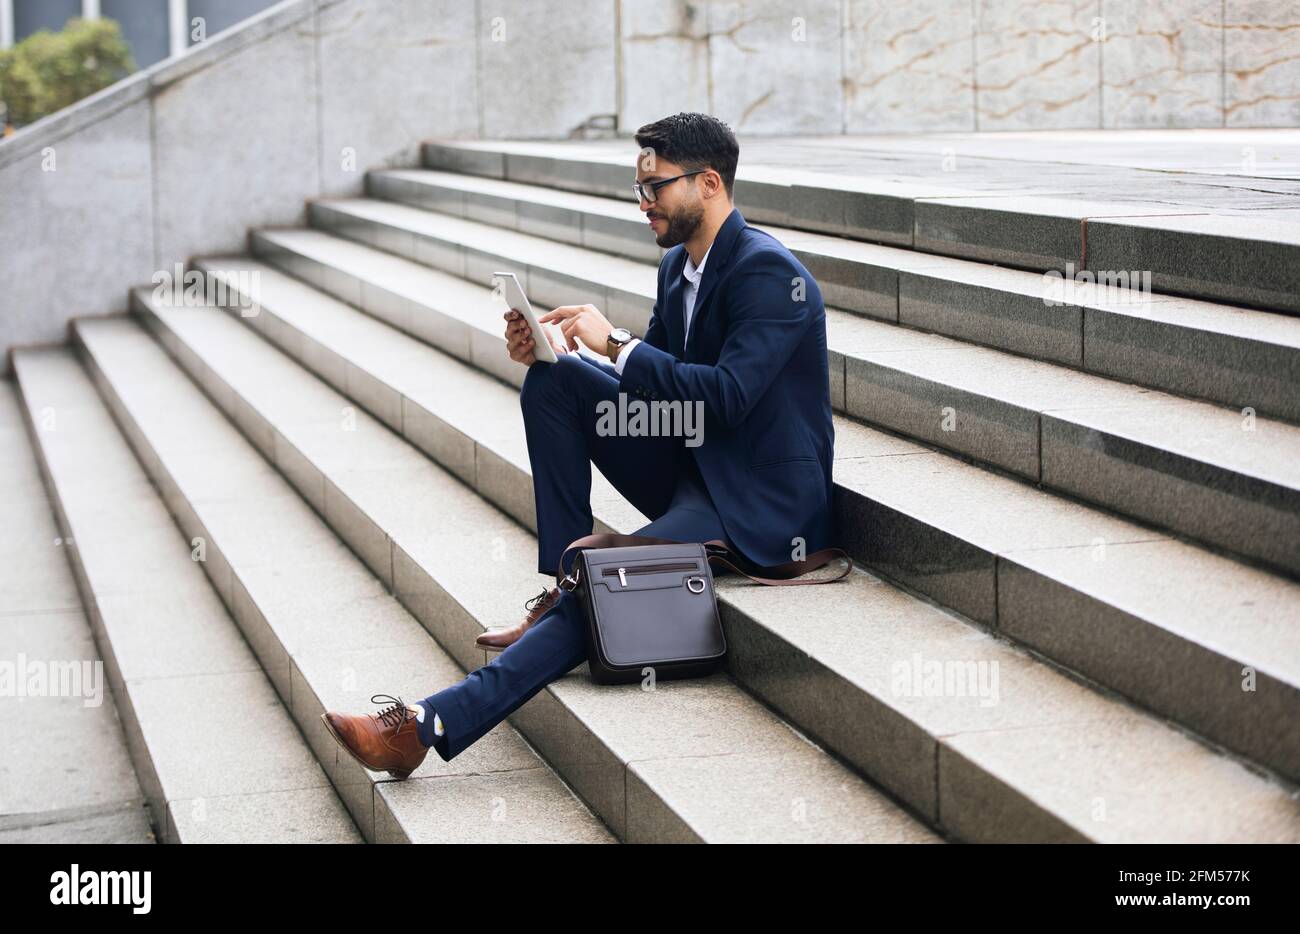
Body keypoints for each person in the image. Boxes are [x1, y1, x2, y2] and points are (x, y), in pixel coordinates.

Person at [320, 112, 834, 778]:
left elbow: (726, 397)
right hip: (693, 462)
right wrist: (564, 355)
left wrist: (617, 344)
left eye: (657, 187)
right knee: (552, 384)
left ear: (709, 183)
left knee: (603, 581)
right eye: (638, 186)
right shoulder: (680, 266)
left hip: (760, 502)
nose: (643, 202)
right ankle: (556, 582)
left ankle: (426, 725)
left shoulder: (769, 274)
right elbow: (661, 385)